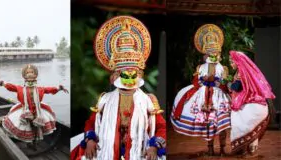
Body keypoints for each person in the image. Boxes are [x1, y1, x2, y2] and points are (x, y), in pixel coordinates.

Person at [71, 16, 166, 160]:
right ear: (115, 76)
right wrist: (90, 140)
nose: (129, 80)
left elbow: (161, 127)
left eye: (133, 74)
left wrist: (154, 146)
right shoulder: (105, 99)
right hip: (107, 147)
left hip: (140, 149)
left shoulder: (148, 100)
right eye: (124, 75)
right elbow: (91, 123)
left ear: (139, 74)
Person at [171, 24, 231, 156]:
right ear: (205, 53)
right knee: (208, 123)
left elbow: (225, 84)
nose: (212, 55)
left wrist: (218, 81)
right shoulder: (200, 67)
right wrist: (204, 79)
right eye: (210, 53)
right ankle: (210, 148)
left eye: (215, 53)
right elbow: (196, 82)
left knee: (221, 124)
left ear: (219, 53)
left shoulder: (223, 68)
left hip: (218, 96)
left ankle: (222, 149)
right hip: (203, 96)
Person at [0, 64, 69, 146]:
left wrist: (59, 89)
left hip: (38, 111)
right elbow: (11, 87)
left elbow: (49, 89)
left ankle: (35, 142)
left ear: (35, 75)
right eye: (27, 73)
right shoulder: (20, 89)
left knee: (38, 127)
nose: (30, 74)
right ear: (24, 75)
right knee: (26, 126)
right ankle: (29, 142)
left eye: (32, 72)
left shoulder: (40, 89)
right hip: (25, 111)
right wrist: (3, 83)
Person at [228, 50, 275, 158]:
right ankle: (249, 150)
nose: (230, 64)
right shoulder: (244, 71)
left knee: (239, 122)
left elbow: (237, 87)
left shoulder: (241, 72)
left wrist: (229, 85)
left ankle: (248, 151)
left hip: (249, 101)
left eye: (232, 62)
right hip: (252, 100)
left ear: (238, 62)